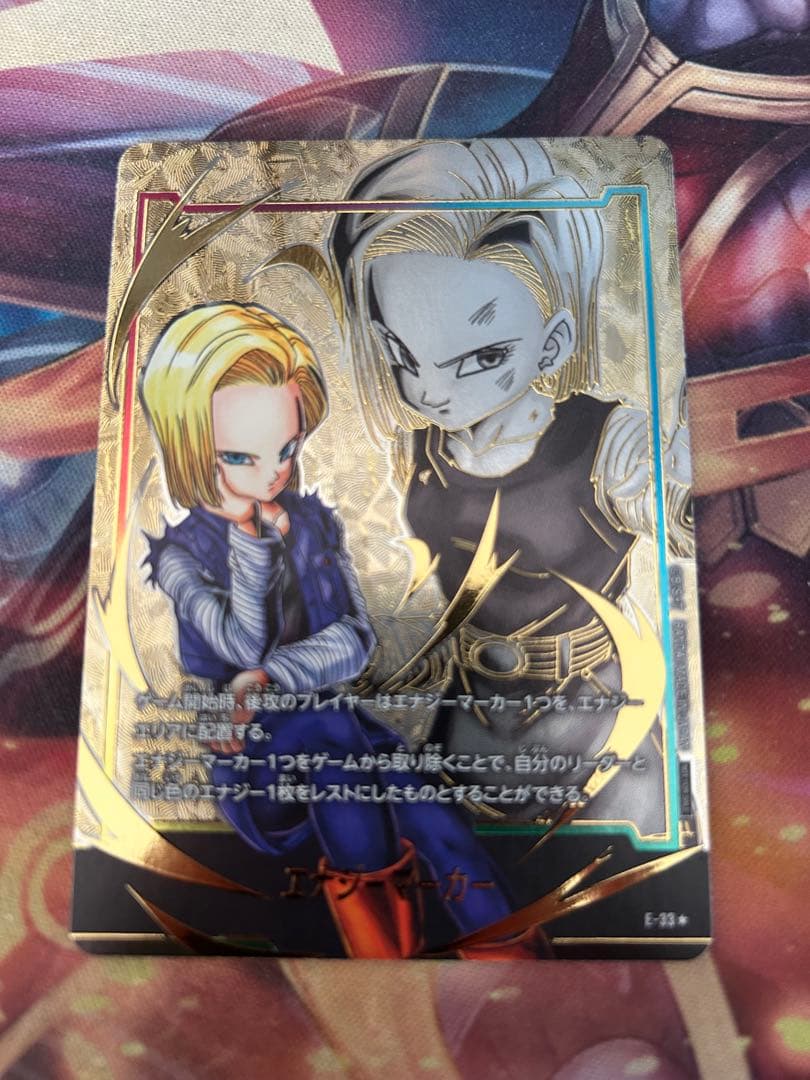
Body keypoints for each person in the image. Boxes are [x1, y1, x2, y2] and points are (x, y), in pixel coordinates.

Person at [139, 300, 537, 956]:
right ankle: (387, 978)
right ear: (193, 446)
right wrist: (252, 546)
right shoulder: (182, 558)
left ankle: (519, 969)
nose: (274, 472)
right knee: (332, 740)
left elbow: (354, 640)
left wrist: (271, 675)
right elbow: (239, 642)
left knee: (434, 819)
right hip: (254, 764)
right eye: (241, 456)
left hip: (335, 735)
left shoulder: (311, 522)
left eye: (286, 449)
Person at [332, 139, 693, 835]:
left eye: (481, 357)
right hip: (470, 714)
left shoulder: (610, 441)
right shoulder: (416, 448)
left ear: (552, 343)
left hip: (591, 715)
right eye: (403, 354)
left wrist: (681, 480)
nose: (429, 390)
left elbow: (672, 507)